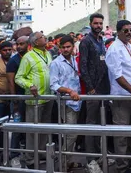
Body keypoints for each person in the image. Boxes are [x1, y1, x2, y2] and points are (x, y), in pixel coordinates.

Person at [106, 20, 131, 171]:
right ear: (118, 32)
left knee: (130, 131)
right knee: (121, 133)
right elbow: (117, 75)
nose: (129, 33)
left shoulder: (130, 46)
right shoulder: (114, 49)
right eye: (125, 30)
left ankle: (129, 160)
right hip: (121, 96)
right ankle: (122, 166)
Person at [15, 31, 54, 169]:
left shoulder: (48, 54)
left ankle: (41, 154)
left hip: (48, 97)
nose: (45, 38)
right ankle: (30, 159)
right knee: (32, 130)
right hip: (34, 100)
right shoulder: (28, 57)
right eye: (42, 37)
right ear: (36, 42)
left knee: (44, 128)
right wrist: (30, 85)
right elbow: (18, 78)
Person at [79, 13, 111, 168]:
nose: (98, 25)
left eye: (100, 23)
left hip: (103, 88)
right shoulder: (85, 42)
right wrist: (90, 88)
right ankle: (90, 159)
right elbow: (83, 67)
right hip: (93, 89)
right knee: (91, 123)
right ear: (90, 24)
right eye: (96, 23)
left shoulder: (101, 40)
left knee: (100, 122)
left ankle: (99, 154)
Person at [50, 35, 83, 171]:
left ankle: (68, 161)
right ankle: (63, 164)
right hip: (66, 102)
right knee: (71, 133)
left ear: (73, 47)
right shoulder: (56, 63)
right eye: (63, 47)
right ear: (59, 48)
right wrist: (69, 91)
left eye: (68, 47)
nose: (65, 49)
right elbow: (53, 85)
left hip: (78, 102)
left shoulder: (75, 61)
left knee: (73, 133)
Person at [6, 36, 29, 168]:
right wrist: (14, 100)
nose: (19, 46)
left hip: (29, 99)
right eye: (18, 44)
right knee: (16, 128)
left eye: (22, 44)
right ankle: (14, 156)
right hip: (18, 100)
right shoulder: (13, 61)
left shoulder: (30, 57)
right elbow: (10, 82)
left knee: (28, 128)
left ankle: (26, 154)